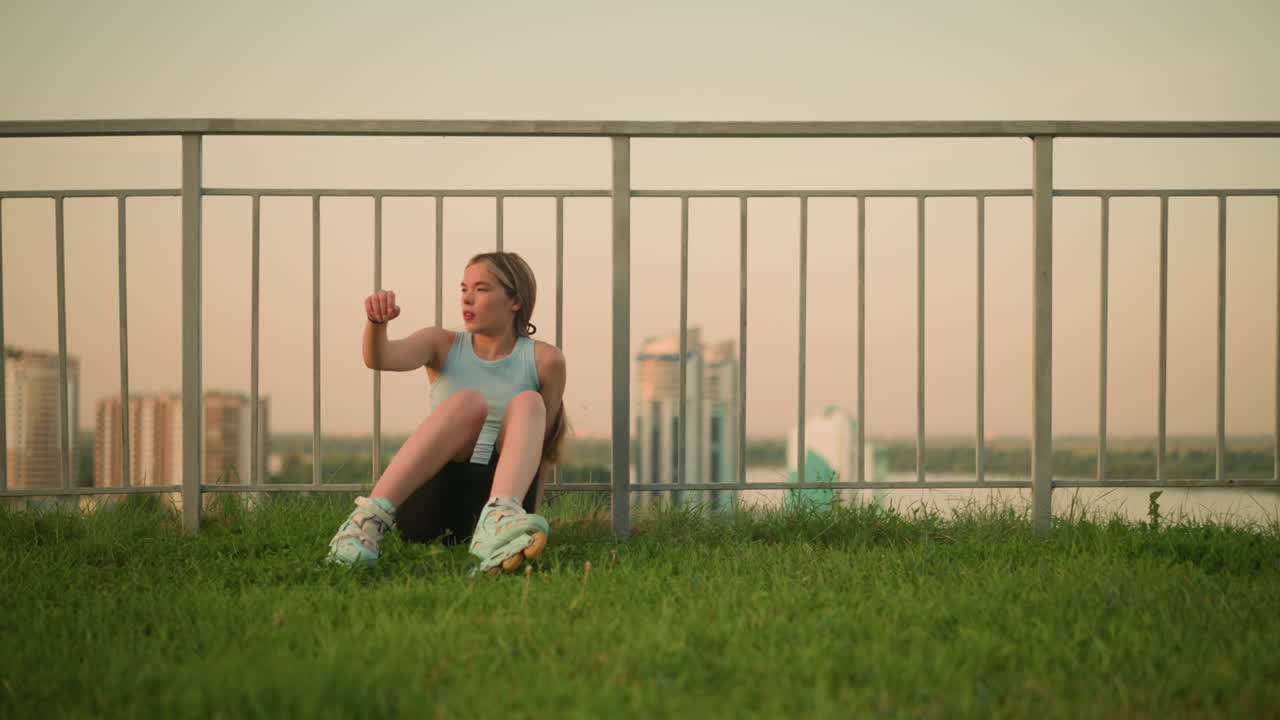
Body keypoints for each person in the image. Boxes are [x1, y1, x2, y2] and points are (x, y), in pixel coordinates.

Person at [326, 251, 568, 575]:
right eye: (464, 288)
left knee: (528, 403)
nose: (467, 299)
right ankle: (365, 524)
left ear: (515, 301)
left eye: (481, 289)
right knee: (469, 403)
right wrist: (376, 324)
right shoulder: (441, 344)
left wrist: (531, 518)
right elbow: (379, 358)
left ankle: (499, 525)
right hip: (435, 504)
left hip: (502, 503)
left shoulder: (545, 360)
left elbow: (541, 450)